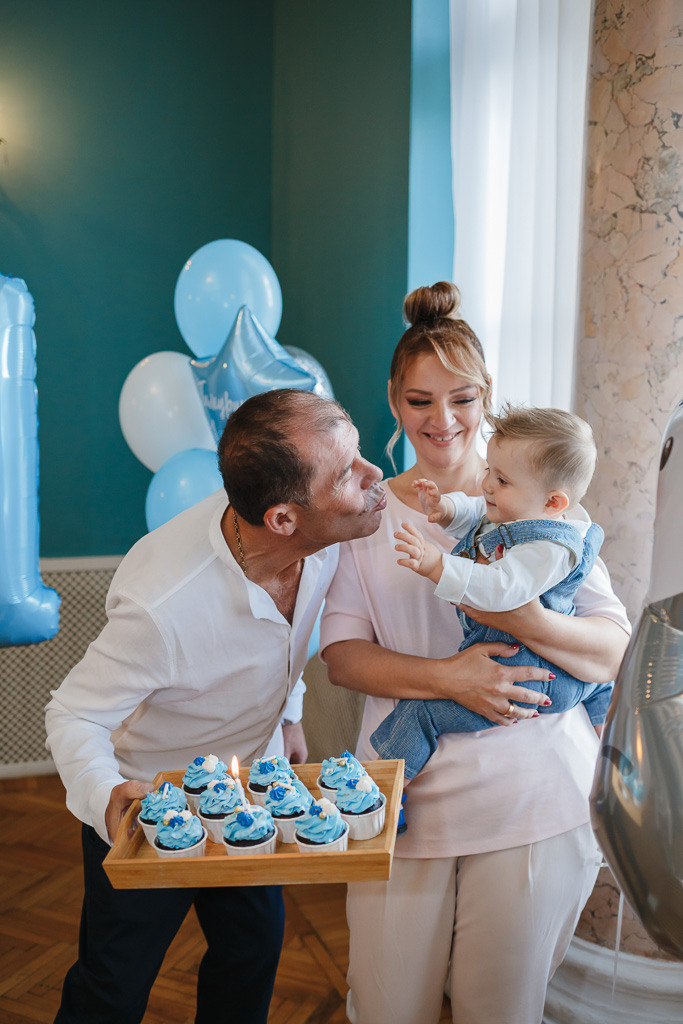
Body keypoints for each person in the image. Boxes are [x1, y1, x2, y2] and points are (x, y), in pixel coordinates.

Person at [320, 282, 631, 1024]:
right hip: (404, 801)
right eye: (420, 401)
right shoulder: (365, 520)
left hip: (533, 802)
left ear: (484, 399)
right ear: (393, 403)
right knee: (389, 1010)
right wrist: (450, 677)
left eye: (461, 398)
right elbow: (342, 657)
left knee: (503, 1012)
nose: (442, 420)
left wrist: (521, 617)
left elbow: (611, 651)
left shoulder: (552, 516)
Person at [44, 387, 387, 1024]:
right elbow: (73, 714)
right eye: (347, 472)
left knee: (251, 953)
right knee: (113, 986)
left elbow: (282, 638)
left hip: (254, 786)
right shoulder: (162, 604)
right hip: (150, 807)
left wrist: (288, 713)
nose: (374, 476)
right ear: (284, 519)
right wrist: (107, 797)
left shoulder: (330, 532)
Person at [371, 404, 614, 782]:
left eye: (501, 480)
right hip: (553, 673)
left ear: (554, 502)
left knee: (421, 713)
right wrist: (445, 507)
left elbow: (501, 589)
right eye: (489, 471)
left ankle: (386, 792)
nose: (486, 485)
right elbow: (476, 513)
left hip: (524, 675)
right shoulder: (519, 510)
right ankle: (605, 735)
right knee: (598, 685)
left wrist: (437, 565)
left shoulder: (550, 548)